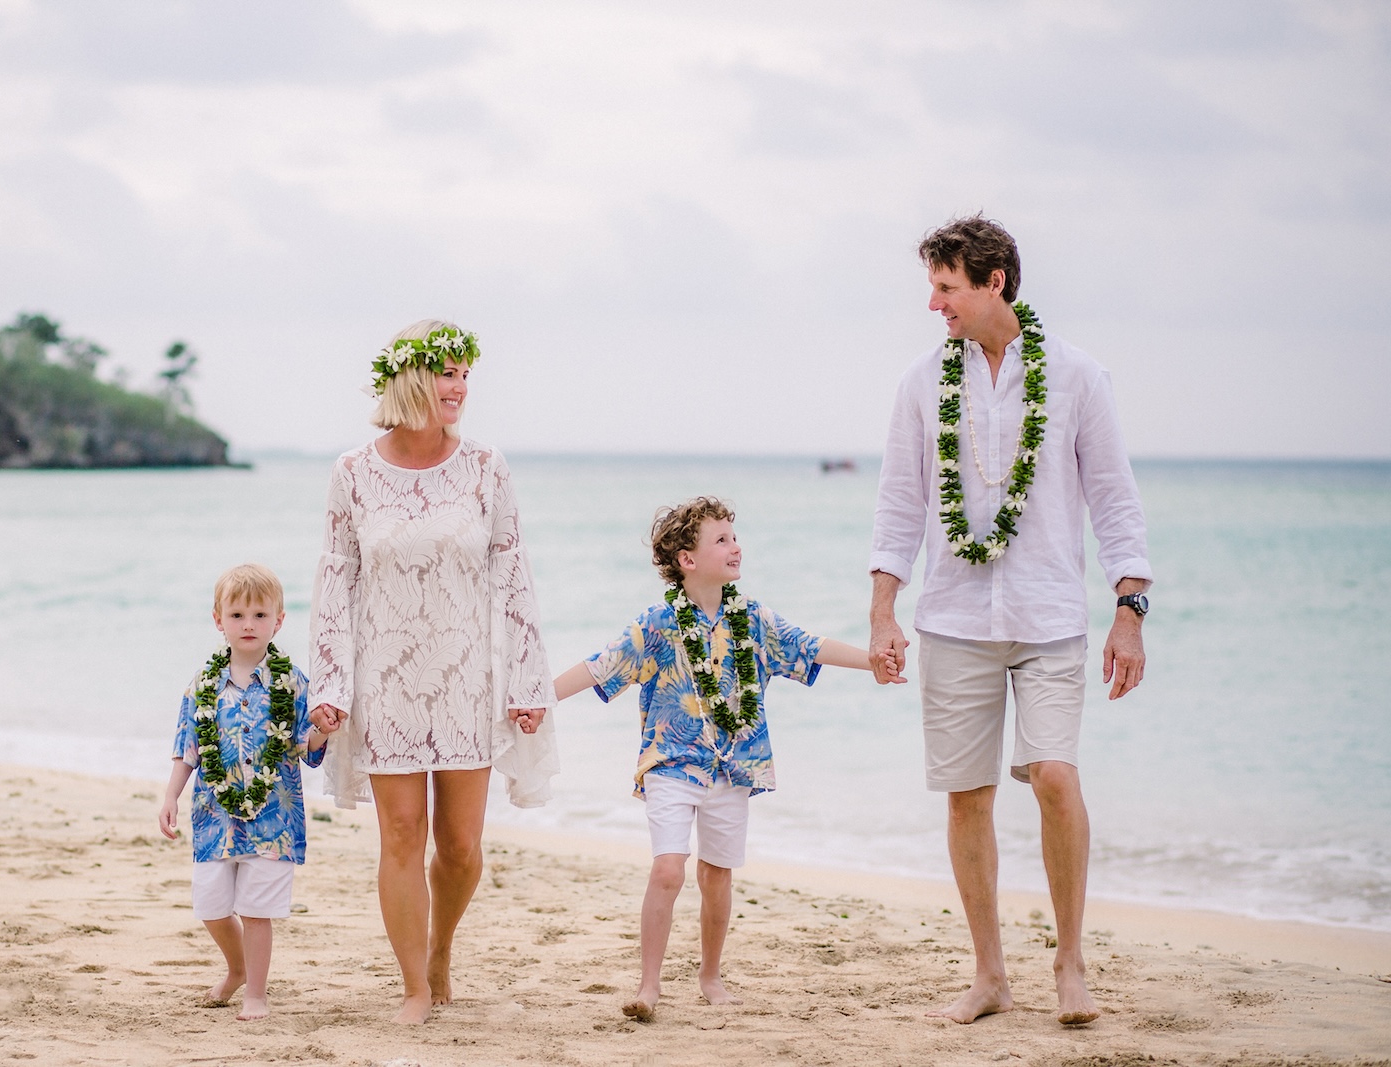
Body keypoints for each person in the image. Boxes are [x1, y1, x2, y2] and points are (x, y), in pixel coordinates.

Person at [867, 215, 1152, 1026]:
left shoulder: (1077, 375)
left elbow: (1115, 500)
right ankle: (990, 973)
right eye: (933, 286)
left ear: (994, 282)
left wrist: (1129, 611)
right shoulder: (923, 383)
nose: (934, 303)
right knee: (967, 798)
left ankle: (1069, 960)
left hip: (1050, 615)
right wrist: (886, 612)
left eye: (946, 286)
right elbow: (898, 504)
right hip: (953, 618)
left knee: (1056, 777)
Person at [554, 496, 901, 1022]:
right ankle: (649, 986)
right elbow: (601, 667)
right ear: (687, 560)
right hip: (671, 762)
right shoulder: (658, 622)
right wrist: (537, 699)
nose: (735, 547)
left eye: (734, 537)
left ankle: (710, 975)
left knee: (716, 876)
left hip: (733, 768)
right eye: (721, 540)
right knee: (669, 870)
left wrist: (871, 661)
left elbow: (808, 645)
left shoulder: (753, 618)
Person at [308, 319, 558, 1024]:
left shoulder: (486, 468)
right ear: (412, 376)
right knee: (400, 835)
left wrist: (527, 679)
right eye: (448, 372)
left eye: (465, 375)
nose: (459, 387)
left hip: (467, 681)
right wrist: (329, 685)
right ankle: (416, 984)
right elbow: (335, 582)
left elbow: (514, 575)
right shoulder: (352, 472)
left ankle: (441, 946)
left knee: (460, 847)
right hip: (383, 681)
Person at [158, 563, 334, 1022]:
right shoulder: (202, 684)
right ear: (218, 620)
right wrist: (171, 796)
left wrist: (321, 731)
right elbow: (188, 746)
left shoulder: (292, 682)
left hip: (274, 818)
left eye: (259, 614)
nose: (249, 624)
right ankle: (235, 969)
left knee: (258, 911)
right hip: (213, 816)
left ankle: (256, 993)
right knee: (212, 907)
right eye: (237, 615)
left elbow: (303, 744)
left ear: (279, 620)